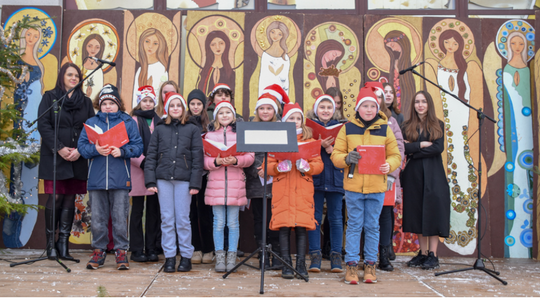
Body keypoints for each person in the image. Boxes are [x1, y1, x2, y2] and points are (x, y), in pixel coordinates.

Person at [331, 85, 401, 284]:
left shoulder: (385, 128)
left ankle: (370, 265)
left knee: (372, 226)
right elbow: (336, 156)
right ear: (357, 108)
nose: (369, 109)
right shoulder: (347, 128)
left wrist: (390, 165)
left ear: (377, 107)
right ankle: (352, 266)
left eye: (373, 105)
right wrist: (347, 158)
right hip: (353, 187)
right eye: (365, 106)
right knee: (354, 225)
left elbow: (395, 155)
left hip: (377, 187)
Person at [78, 84, 143, 270]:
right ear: (100, 104)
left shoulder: (128, 122)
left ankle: (121, 251)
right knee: (98, 217)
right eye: (104, 102)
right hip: (96, 179)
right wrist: (95, 149)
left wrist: (121, 151)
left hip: (120, 179)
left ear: (118, 104)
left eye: (111, 102)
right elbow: (82, 147)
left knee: (120, 216)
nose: (108, 106)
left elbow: (138, 147)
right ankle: (99, 251)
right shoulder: (91, 123)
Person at [37, 63, 94, 260]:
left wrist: (80, 150)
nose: (73, 78)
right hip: (55, 157)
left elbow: (91, 128)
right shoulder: (50, 97)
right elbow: (43, 125)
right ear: (62, 76)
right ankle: (51, 245)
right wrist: (59, 148)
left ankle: (64, 246)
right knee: (56, 197)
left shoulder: (85, 102)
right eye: (69, 75)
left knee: (71, 198)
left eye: (76, 76)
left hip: (76, 157)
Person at [144, 92, 204, 273]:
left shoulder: (192, 129)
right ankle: (169, 257)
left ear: (183, 108)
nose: (175, 108)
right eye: (172, 106)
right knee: (167, 219)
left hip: (184, 181)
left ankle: (186, 256)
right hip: (163, 180)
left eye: (178, 105)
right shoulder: (160, 129)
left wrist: (195, 183)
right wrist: (150, 180)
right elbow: (151, 155)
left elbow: (197, 158)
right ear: (167, 109)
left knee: (183, 220)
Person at [267, 103, 324, 279]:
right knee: (283, 227)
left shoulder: (310, 141)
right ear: (285, 120)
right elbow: (268, 165)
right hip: (283, 189)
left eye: (298, 118)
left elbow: (318, 164)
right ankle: (286, 263)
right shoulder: (276, 140)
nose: (295, 121)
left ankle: (300, 264)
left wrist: (307, 166)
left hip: (302, 190)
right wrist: (278, 167)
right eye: (291, 118)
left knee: (301, 228)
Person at [401, 91, 450, 270]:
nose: (420, 105)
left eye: (423, 102)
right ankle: (422, 253)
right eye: (417, 102)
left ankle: (433, 255)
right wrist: (419, 145)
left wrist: (414, 150)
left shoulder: (438, 125)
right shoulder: (406, 125)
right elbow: (403, 148)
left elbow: (438, 148)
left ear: (429, 104)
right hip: (414, 175)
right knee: (417, 213)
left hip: (434, 174)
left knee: (433, 213)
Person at [204, 100, 255, 273]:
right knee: (218, 223)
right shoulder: (209, 136)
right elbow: (203, 160)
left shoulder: (240, 134)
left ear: (233, 115)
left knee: (233, 223)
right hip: (215, 185)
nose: (224, 115)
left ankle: (231, 256)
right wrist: (216, 161)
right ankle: (219, 257)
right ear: (216, 116)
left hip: (235, 185)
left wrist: (236, 160)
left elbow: (250, 157)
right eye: (221, 113)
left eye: (228, 112)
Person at [366, 81, 405, 272]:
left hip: (385, 177)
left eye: (379, 97)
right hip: (365, 178)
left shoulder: (391, 122)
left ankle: (384, 255)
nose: (376, 100)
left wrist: (391, 173)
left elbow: (398, 148)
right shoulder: (359, 122)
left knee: (384, 216)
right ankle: (368, 256)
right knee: (366, 217)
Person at [305, 94, 345, 273]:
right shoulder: (308, 128)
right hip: (316, 178)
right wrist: (318, 145)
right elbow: (302, 149)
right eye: (322, 107)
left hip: (336, 177)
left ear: (334, 110)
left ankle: (336, 254)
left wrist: (332, 149)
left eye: (329, 107)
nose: (326, 111)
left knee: (336, 218)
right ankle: (315, 254)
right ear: (316, 109)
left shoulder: (343, 128)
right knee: (314, 217)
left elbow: (348, 151)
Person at [244, 93, 282, 269]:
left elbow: (283, 154)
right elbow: (248, 154)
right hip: (257, 181)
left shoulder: (281, 129)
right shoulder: (250, 129)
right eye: (262, 108)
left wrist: (271, 169)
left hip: (277, 181)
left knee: (276, 217)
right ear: (257, 111)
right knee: (260, 218)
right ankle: (262, 253)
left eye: (269, 108)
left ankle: (276, 253)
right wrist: (258, 170)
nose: (265, 112)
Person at [128, 85, 162, 263]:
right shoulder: (132, 121)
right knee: (137, 211)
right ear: (139, 102)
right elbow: (128, 145)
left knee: (153, 212)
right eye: (144, 101)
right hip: (138, 170)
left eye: (150, 101)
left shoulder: (160, 121)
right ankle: (136, 249)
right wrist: (142, 161)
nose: (147, 104)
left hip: (155, 172)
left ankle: (151, 248)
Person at [186, 88, 215, 264]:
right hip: (187, 173)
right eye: (192, 104)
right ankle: (194, 248)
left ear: (204, 106)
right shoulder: (184, 123)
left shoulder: (210, 125)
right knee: (190, 213)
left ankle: (208, 249)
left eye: (199, 104)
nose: (195, 107)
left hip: (206, 173)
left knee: (205, 212)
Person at [132, 28, 169, 108]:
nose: (150, 46)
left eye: (155, 43)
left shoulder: (161, 69)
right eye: (147, 41)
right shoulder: (140, 70)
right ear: (142, 42)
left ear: (160, 46)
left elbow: (160, 96)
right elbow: (135, 96)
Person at [258, 21, 291, 96]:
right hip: (266, 93)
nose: (275, 36)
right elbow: (263, 77)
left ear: (283, 36)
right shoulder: (265, 55)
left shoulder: (285, 57)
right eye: (272, 32)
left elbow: (285, 79)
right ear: (268, 32)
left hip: (280, 94)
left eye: (279, 34)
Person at [198, 31, 235, 96]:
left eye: (221, 43)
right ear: (209, 47)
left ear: (226, 44)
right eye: (213, 44)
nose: (217, 47)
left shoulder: (231, 72)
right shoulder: (204, 72)